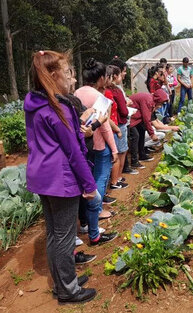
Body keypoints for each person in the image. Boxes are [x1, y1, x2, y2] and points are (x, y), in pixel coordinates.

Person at [24, 50, 96, 303]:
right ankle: (68, 290)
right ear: (53, 75)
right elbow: (74, 152)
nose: (72, 79)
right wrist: (89, 184)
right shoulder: (59, 109)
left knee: (55, 234)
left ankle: (63, 281)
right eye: (68, 73)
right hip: (61, 179)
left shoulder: (34, 103)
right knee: (64, 237)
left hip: (41, 177)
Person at [74, 58, 119, 243]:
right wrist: (114, 149)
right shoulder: (99, 98)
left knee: (84, 185)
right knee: (97, 181)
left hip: (82, 146)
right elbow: (105, 125)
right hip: (97, 144)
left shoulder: (76, 92)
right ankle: (96, 219)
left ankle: (84, 222)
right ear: (101, 78)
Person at [128, 91, 166, 168]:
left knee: (141, 131)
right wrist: (152, 134)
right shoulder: (148, 100)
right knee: (135, 136)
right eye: (162, 103)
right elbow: (146, 118)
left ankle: (142, 155)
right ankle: (134, 161)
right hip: (131, 119)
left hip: (137, 118)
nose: (161, 105)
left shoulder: (151, 100)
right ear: (159, 99)